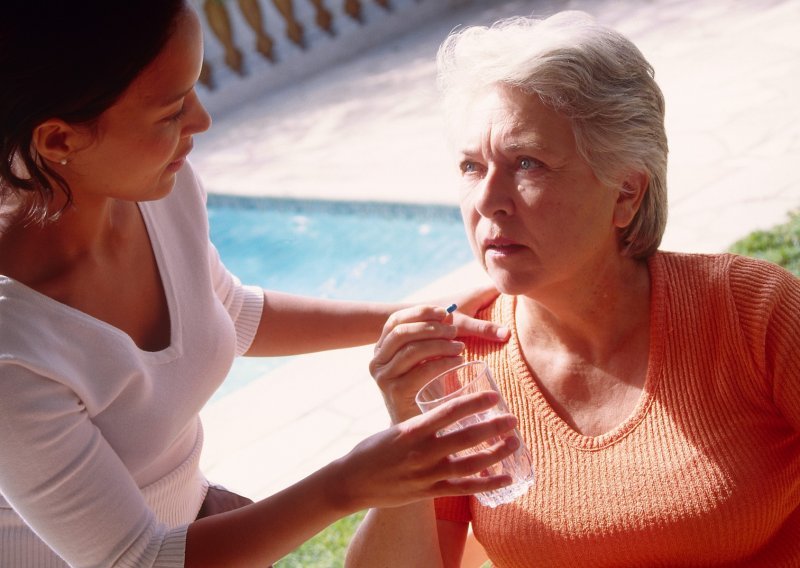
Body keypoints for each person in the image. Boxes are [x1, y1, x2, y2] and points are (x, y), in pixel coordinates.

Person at [0, 1, 519, 566]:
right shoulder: (13, 346)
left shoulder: (157, 189)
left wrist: (418, 316)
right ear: (58, 142)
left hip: (194, 524)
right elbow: (138, 559)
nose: (201, 121)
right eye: (171, 111)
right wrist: (349, 482)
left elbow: (230, 310)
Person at [345, 10, 800, 568]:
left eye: (527, 162)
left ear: (626, 193)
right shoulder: (460, 370)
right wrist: (408, 437)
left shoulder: (750, 311)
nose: (488, 200)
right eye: (470, 166)